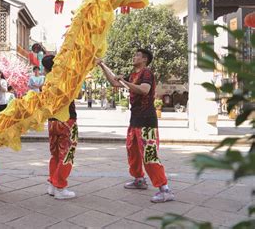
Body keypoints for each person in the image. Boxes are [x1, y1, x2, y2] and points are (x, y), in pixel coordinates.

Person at [96, 49, 174, 203]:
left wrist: (125, 82)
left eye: (137, 55)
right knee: (132, 151)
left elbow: (145, 90)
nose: (134, 56)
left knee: (149, 154)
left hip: (147, 121)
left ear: (145, 59)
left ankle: (165, 189)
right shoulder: (133, 75)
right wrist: (102, 66)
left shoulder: (146, 73)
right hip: (135, 120)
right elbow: (114, 82)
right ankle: (139, 179)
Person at [42, 55, 78, 200]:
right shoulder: (64, 78)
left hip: (52, 122)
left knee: (55, 154)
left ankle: (52, 184)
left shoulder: (47, 81)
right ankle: (60, 187)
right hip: (67, 120)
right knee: (67, 154)